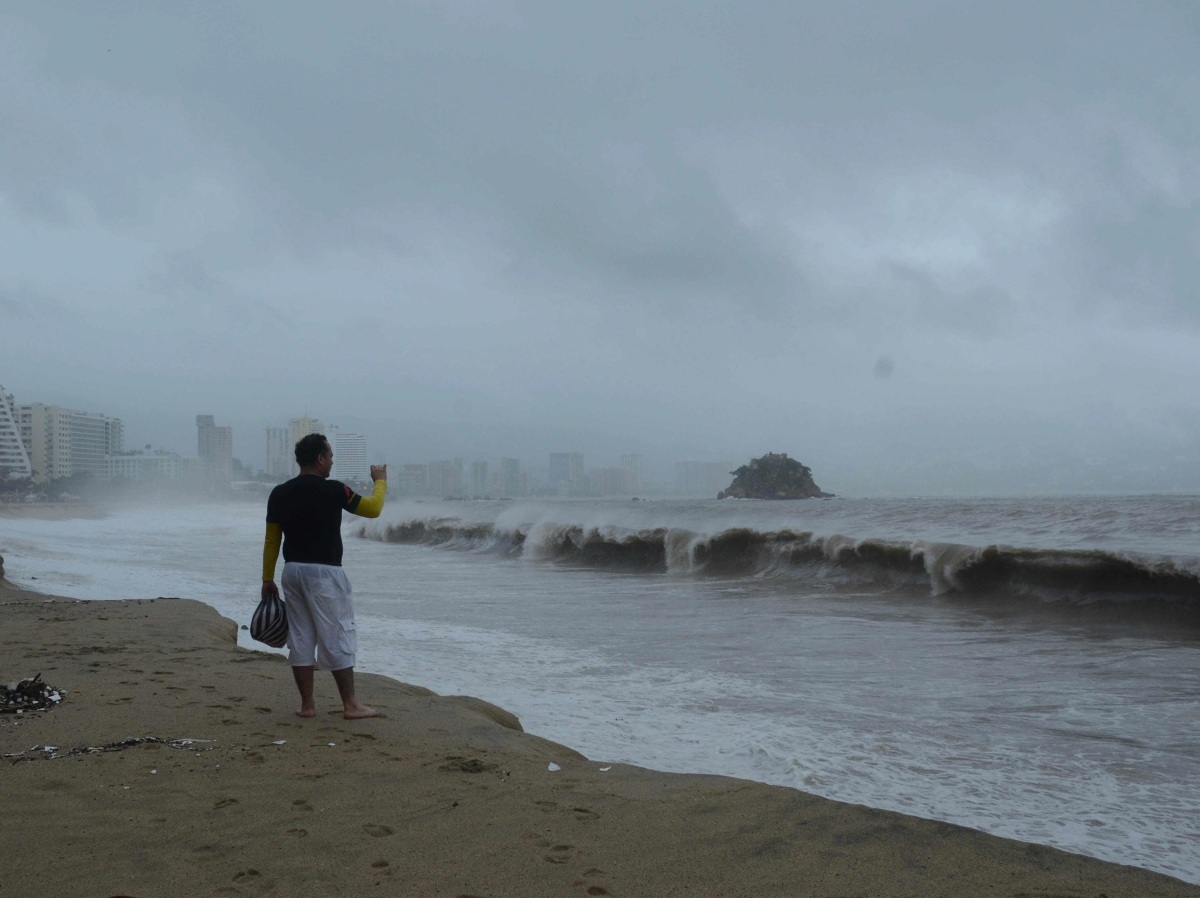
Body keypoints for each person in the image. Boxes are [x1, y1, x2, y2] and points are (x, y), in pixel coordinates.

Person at [261, 433, 387, 719]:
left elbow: (272, 540)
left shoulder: (279, 492)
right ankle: (351, 705)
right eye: (330, 456)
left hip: (291, 571)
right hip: (325, 572)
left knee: (301, 636)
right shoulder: (334, 490)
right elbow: (373, 509)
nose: (332, 462)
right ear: (319, 458)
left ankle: (307, 706)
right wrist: (380, 480)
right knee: (337, 633)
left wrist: (267, 578)